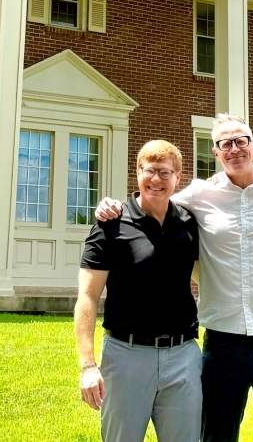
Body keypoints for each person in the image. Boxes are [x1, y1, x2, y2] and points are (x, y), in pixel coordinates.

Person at [95, 114, 253, 442]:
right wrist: (113, 206)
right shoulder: (199, 195)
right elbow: (153, 196)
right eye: (225, 143)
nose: (234, 148)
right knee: (215, 435)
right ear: (216, 152)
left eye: (241, 141)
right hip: (224, 339)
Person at [74, 140, 202, 442]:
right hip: (126, 356)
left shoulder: (188, 223)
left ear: (177, 178)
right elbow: (88, 297)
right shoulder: (111, 224)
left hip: (183, 356)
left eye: (165, 172)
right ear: (138, 173)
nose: (156, 179)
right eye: (150, 171)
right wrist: (88, 365)